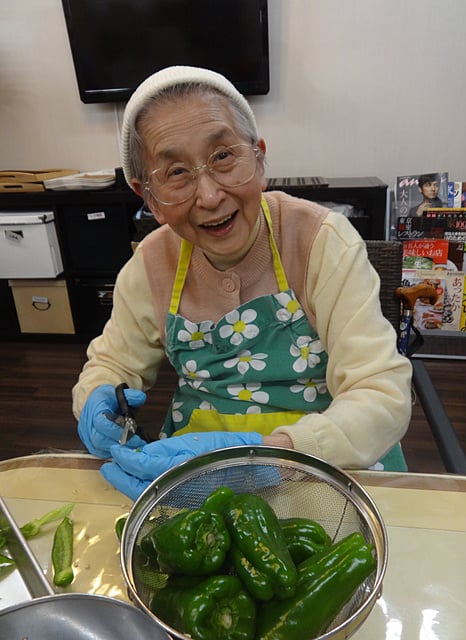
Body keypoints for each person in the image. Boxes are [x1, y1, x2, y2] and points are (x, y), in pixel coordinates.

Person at [72, 66, 412, 500]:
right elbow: (113, 365)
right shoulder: (148, 266)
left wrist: (271, 456)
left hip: (328, 466)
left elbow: (381, 394)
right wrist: (98, 399)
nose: (210, 195)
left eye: (223, 157)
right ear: (149, 198)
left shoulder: (321, 241)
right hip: (195, 476)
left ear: (259, 158)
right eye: (175, 172)